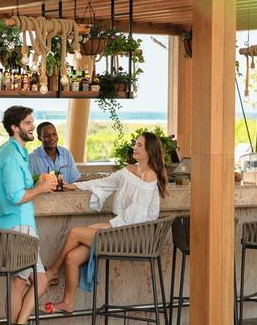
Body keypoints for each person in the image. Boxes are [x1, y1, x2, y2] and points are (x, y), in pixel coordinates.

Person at [43, 132, 169, 314]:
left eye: (140, 145)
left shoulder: (150, 176)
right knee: (72, 258)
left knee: (75, 233)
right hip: (119, 231)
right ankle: (67, 303)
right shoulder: (129, 171)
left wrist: (107, 225)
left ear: (150, 150)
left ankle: (53, 271)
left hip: (133, 236)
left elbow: (136, 219)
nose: (134, 147)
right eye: (135, 144)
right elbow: (104, 183)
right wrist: (75, 186)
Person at [0, 105, 56, 325]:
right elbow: (16, 196)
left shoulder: (16, 153)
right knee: (18, 283)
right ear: (15, 128)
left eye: (32, 122)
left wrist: (40, 185)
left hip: (23, 226)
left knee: (39, 280)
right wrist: (41, 187)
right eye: (28, 123)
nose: (32, 127)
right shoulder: (10, 155)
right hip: (16, 227)